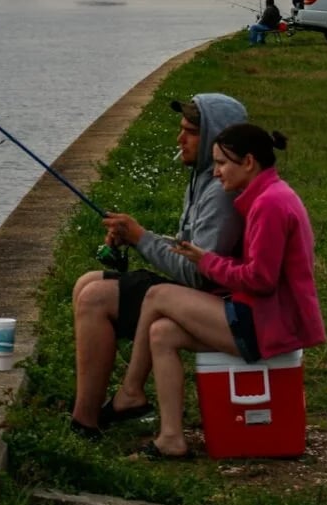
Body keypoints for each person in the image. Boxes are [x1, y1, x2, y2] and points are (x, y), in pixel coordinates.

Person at [127, 123, 326, 460]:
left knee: (156, 296)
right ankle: (171, 438)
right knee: (162, 333)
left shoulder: (270, 204)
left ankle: (130, 391)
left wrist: (207, 262)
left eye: (221, 163)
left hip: (269, 327)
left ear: (248, 162)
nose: (216, 172)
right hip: (265, 318)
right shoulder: (271, 195)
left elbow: (261, 279)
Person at [70, 93, 247, 440]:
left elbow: (199, 272)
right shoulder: (203, 179)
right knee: (86, 282)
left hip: (214, 303)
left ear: (217, 137)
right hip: (199, 294)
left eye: (190, 132)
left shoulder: (221, 191)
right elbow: (187, 246)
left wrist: (141, 239)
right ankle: (95, 403)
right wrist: (140, 236)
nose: (179, 139)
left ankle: (85, 421)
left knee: (95, 298)